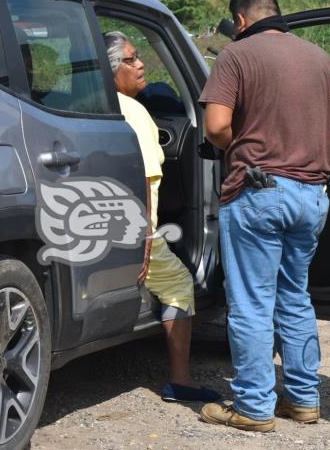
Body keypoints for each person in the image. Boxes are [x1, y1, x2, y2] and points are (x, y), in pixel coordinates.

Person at [197, 0, 330, 432]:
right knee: (295, 298)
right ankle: (303, 399)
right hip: (311, 195)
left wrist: (241, 144)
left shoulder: (237, 56)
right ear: (276, 14)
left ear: (240, 21)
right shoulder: (319, 58)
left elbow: (216, 125)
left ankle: (254, 406)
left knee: (251, 303)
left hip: (258, 190)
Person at [103, 31, 220, 404]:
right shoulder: (135, 114)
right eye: (131, 60)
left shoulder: (82, 103)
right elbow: (147, 185)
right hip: (133, 229)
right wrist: (145, 244)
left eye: (138, 58)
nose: (140, 66)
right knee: (180, 283)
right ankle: (181, 380)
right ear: (111, 69)